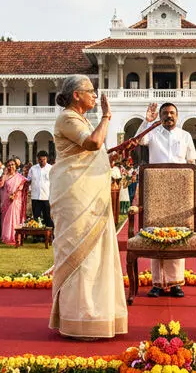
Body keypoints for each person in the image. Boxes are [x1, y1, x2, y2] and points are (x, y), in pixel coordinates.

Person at [49, 74, 127, 339]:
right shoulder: (68, 118)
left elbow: (93, 152)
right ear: (76, 95)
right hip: (75, 195)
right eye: (90, 91)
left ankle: (97, 314)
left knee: (96, 254)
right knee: (79, 252)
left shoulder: (82, 120)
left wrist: (112, 153)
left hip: (91, 195)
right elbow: (92, 143)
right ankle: (77, 318)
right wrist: (106, 117)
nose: (95, 95)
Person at [137, 101, 196, 299]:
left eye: (172, 113)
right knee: (156, 233)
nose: (168, 116)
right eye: (164, 113)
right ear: (160, 116)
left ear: (177, 116)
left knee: (178, 234)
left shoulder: (185, 136)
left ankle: (176, 283)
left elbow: (191, 163)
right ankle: (157, 283)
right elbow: (139, 141)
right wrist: (147, 121)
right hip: (156, 190)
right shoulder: (152, 134)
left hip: (180, 192)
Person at [0, 159, 27, 245]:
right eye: (9, 165)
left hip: (16, 200)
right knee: (6, 219)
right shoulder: (5, 176)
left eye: (12, 164)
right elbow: (0, 185)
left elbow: (22, 186)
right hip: (6, 200)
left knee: (15, 218)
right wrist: (4, 174)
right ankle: (7, 236)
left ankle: (15, 237)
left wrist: (15, 195)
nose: (11, 166)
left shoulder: (20, 177)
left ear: (16, 166)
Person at [27, 151, 53, 229]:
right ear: (37, 159)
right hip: (35, 197)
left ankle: (49, 236)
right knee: (36, 217)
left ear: (46, 159)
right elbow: (28, 180)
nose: (42, 161)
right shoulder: (33, 168)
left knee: (47, 217)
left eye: (43, 159)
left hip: (47, 197)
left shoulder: (51, 168)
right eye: (40, 160)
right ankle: (37, 236)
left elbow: (54, 182)